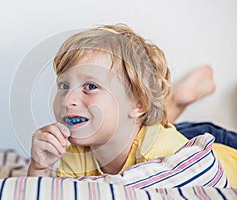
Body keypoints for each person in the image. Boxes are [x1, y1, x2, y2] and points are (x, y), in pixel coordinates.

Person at [27, 24, 236, 186]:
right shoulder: (77, 154)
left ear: (138, 103)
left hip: (220, 148)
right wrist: (40, 167)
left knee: (158, 130)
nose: (67, 99)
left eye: (90, 86)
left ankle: (175, 99)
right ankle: (174, 100)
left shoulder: (165, 153)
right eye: (63, 85)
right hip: (145, 129)